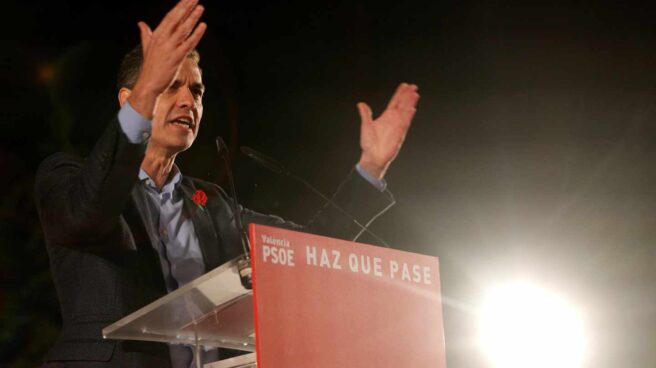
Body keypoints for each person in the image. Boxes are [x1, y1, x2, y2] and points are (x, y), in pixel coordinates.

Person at [34, 0, 420, 367]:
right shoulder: (65, 177)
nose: (188, 100)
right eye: (171, 84)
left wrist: (370, 168)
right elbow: (87, 211)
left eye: (197, 91)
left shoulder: (212, 204)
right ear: (128, 99)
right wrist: (146, 91)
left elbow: (305, 249)